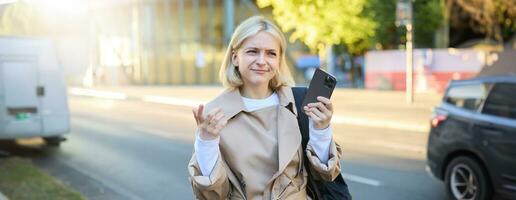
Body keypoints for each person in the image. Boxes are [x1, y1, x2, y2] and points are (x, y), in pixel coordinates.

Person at [188, 16, 343, 200]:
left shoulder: (299, 103)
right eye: (253, 51)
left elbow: (326, 175)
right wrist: (206, 141)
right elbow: (211, 195)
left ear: (279, 60)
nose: (262, 61)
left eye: (271, 53)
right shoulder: (214, 115)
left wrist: (321, 130)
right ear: (235, 57)